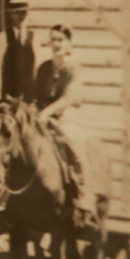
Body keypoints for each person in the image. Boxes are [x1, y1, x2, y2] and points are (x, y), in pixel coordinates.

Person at [35, 24, 96, 219]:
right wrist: (37, 112)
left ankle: (85, 194)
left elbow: (70, 97)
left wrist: (48, 112)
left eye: (60, 40)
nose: (56, 44)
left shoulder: (74, 68)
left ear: (68, 43)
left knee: (74, 142)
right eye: (53, 39)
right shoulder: (44, 68)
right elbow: (37, 95)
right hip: (44, 115)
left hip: (68, 115)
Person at [0, 0, 38, 105]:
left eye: (22, 13)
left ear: (26, 14)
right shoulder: (4, 36)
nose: (19, 17)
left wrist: (36, 92)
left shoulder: (33, 36)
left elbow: (36, 65)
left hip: (27, 92)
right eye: (16, 13)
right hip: (10, 91)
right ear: (11, 15)